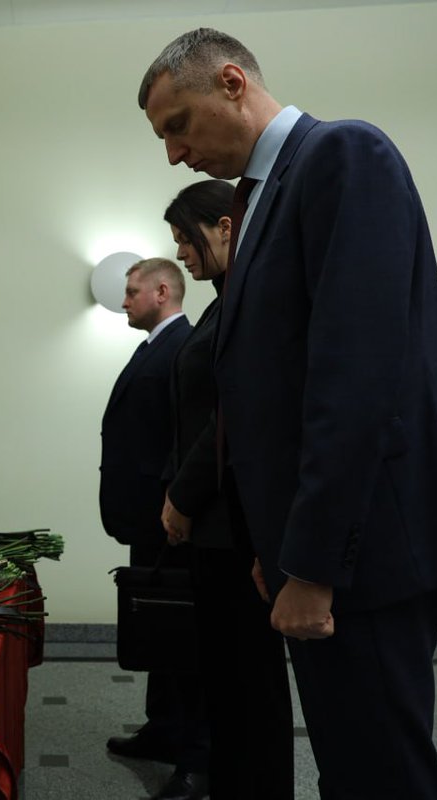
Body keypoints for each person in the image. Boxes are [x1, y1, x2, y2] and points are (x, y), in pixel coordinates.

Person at [137, 28, 437, 800]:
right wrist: (272, 546)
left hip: (360, 553)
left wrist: (310, 565)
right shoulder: (261, 199)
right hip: (318, 553)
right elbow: (269, 388)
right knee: (351, 765)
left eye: (178, 124)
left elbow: (357, 379)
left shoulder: (344, 156)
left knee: (380, 774)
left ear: (234, 83)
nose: (174, 154)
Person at [160, 180, 294, 799]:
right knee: (228, 680)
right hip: (218, 522)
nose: (182, 254)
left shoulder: (246, 297)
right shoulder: (221, 303)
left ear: (224, 226)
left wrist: (183, 495)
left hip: (234, 522)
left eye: (187, 238)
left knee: (247, 683)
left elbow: (233, 415)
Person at [98, 257, 208, 800]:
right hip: (149, 516)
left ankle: (196, 758)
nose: (123, 300)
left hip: (172, 520)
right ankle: (163, 729)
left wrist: (176, 503)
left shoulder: (182, 346)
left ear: (161, 292)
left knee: (183, 639)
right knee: (156, 628)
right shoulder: (156, 346)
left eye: (130, 291)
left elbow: (185, 437)